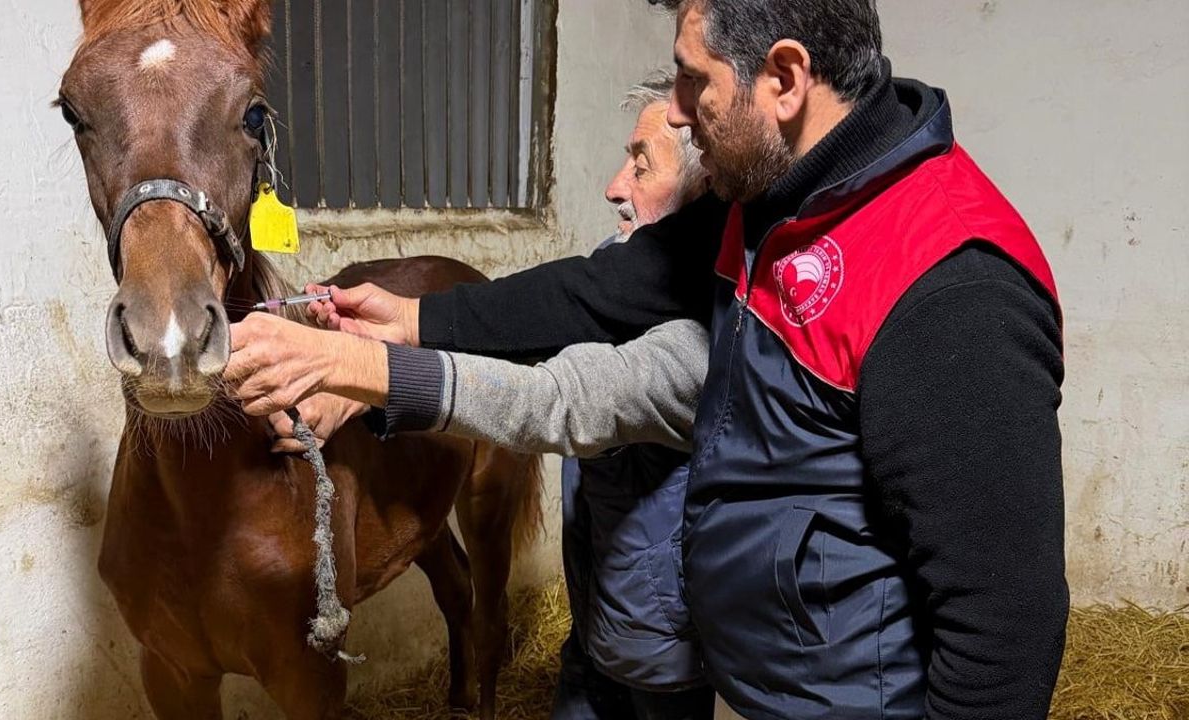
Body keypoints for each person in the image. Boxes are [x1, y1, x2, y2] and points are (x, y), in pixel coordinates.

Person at [229, 1, 1069, 718]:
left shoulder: (951, 286)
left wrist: (361, 372)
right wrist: (416, 318)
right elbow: (602, 292)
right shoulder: (778, 201)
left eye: (694, 78)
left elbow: (1001, 623)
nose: (680, 104)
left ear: (784, 78)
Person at [230, 73, 717, 719]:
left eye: (640, 164)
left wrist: (358, 366)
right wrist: (404, 329)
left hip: (666, 660)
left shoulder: (709, 334)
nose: (613, 185)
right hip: (599, 629)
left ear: (705, 193)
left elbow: (554, 398)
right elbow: (548, 314)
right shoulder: (620, 268)